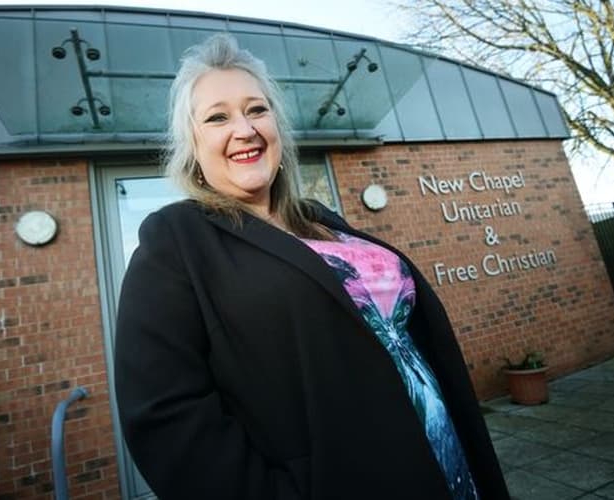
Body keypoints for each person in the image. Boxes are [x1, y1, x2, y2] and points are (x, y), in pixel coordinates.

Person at [115, 33, 509, 500]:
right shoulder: (177, 240)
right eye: (218, 117)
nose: (245, 129)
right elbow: (166, 417)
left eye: (257, 110)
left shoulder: (322, 221)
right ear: (193, 147)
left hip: (450, 466)